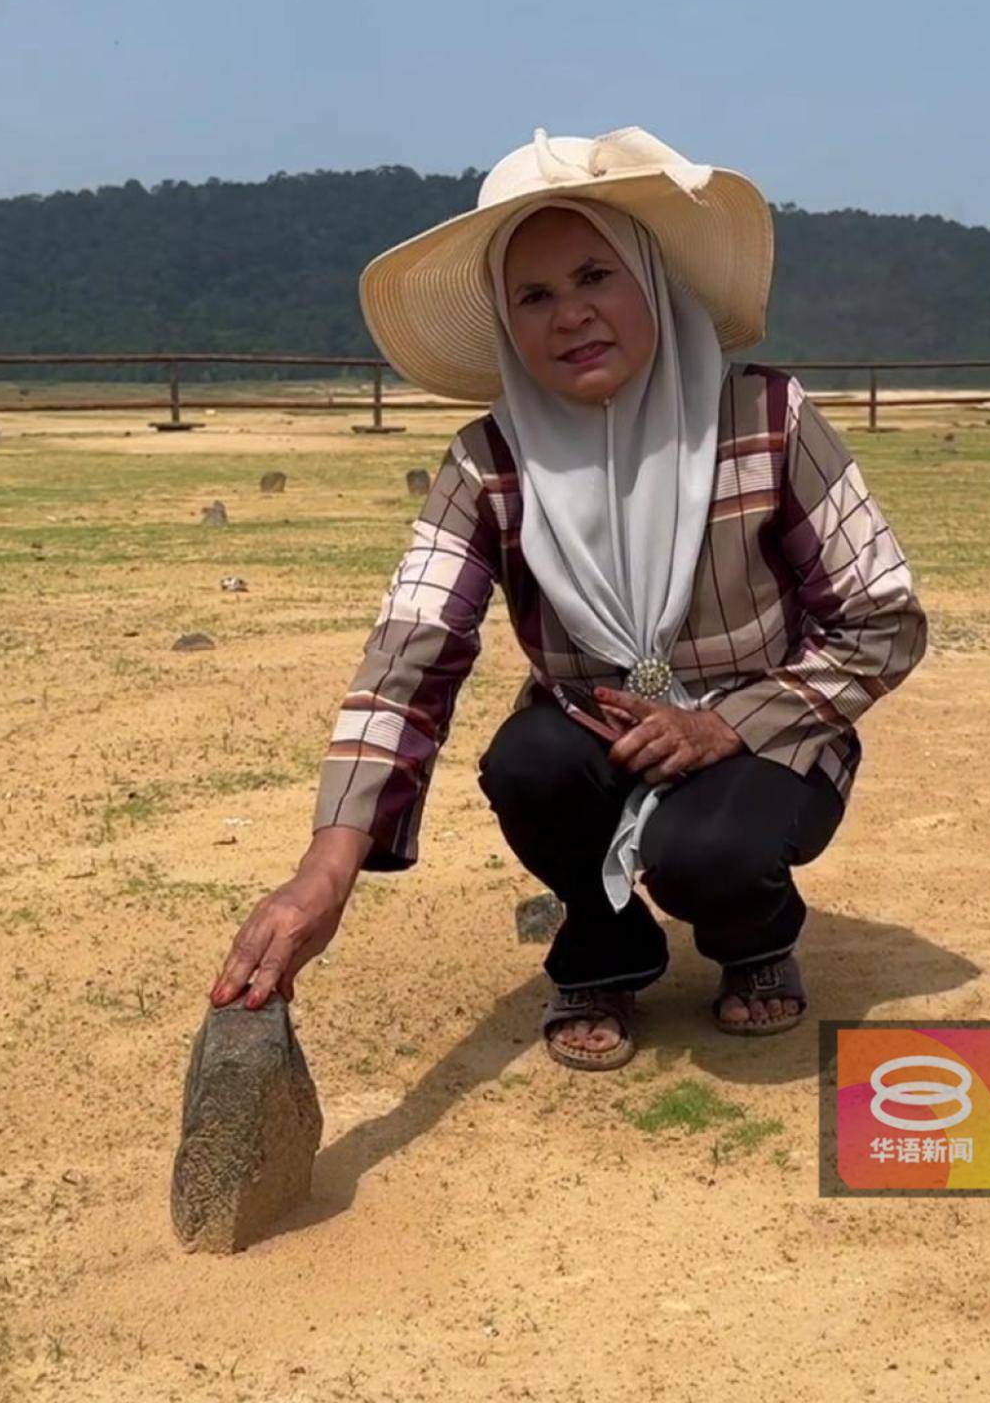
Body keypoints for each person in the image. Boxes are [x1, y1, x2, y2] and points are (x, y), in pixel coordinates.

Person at [206, 128, 928, 1071]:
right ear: (508, 326)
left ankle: (756, 934)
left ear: (652, 283)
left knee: (709, 852)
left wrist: (726, 725)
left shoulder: (765, 419)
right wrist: (325, 869)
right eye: (534, 297)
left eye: (596, 277)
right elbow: (407, 656)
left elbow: (882, 617)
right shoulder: (490, 464)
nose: (571, 316)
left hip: (766, 741)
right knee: (529, 763)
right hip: (596, 740)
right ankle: (608, 939)